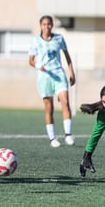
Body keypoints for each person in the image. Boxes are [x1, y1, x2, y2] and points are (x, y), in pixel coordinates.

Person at [28, 15, 76, 148]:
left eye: (49, 24)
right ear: (41, 26)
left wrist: (72, 72)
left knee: (65, 102)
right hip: (45, 77)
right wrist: (38, 66)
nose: (47, 26)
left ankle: (68, 134)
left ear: (52, 25)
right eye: (44, 24)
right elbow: (31, 60)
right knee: (49, 107)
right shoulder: (36, 41)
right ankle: (52, 138)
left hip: (59, 74)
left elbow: (67, 56)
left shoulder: (59, 38)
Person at [79, 86, 105, 177]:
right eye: (104, 102)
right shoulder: (103, 112)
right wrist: (86, 157)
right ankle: (85, 161)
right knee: (95, 135)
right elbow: (94, 137)